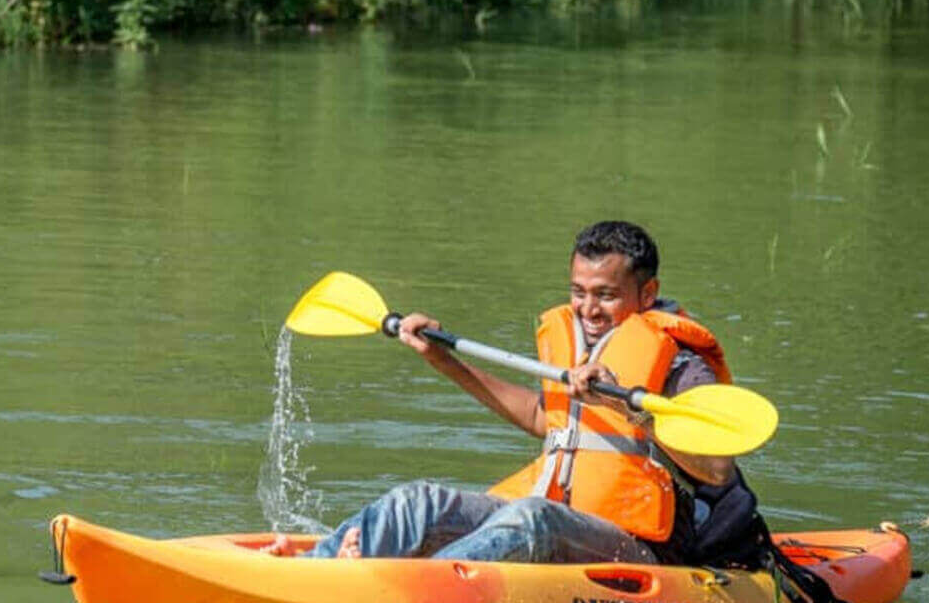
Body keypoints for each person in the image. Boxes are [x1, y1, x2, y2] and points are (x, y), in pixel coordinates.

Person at [290, 220, 758, 566]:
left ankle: (404, 587)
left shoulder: (681, 364)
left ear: (648, 292)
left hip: (638, 546)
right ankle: (314, 573)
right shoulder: (576, 342)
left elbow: (717, 469)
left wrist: (626, 406)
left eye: (605, 295)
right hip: (558, 517)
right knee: (417, 502)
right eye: (579, 292)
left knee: (534, 517)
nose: (588, 309)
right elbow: (543, 419)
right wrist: (440, 358)